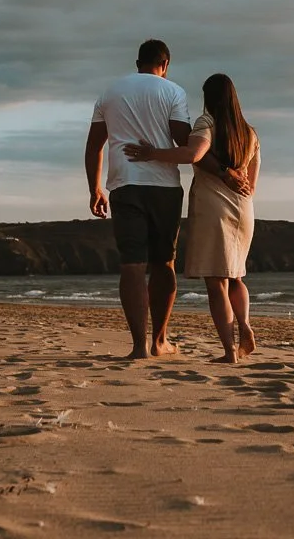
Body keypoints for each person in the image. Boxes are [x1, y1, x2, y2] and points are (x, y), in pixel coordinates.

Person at [125, 73, 260, 363]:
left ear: (209, 98)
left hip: (215, 209)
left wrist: (152, 153)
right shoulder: (250, 133)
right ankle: (245, 326)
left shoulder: (206, 123)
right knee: (236, 275)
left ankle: (228, 352)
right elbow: (251, 184)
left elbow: (192, 154)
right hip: (244, 211)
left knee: (216, 283)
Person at [84, 39, 192, 359]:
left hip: (124, 185)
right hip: (164, 186)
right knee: (164, 263)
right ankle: (160, 341)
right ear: (165, 64)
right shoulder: (173, 91)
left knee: (132, 265)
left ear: (138, 63)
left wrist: (95, 190)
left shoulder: (110, 92)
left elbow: (94, 147)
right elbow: (183, 140)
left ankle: (138, 347)